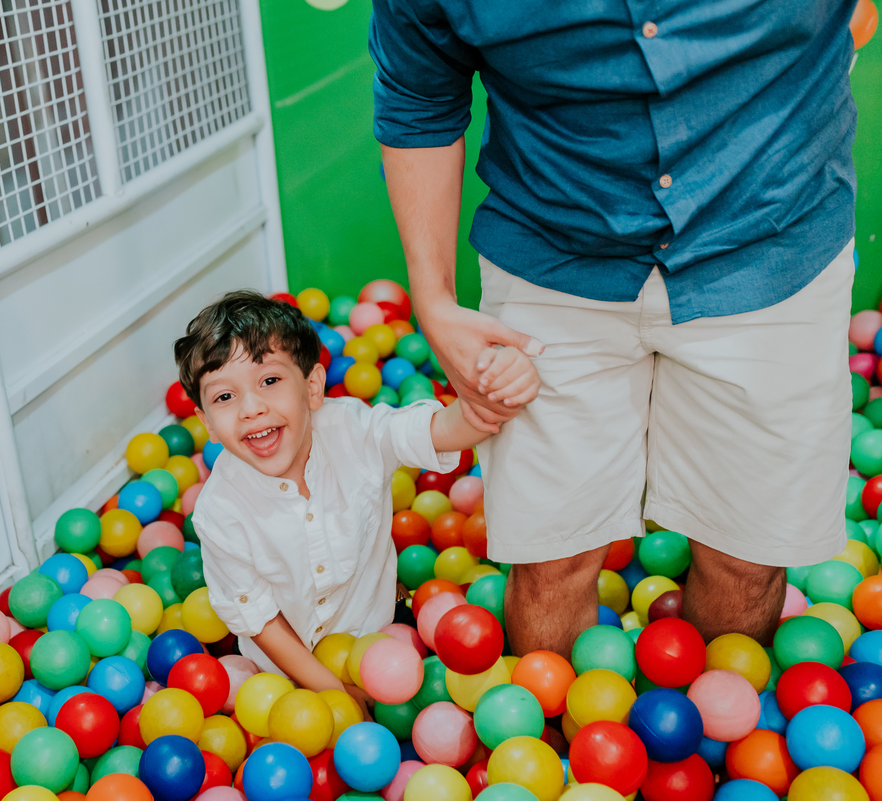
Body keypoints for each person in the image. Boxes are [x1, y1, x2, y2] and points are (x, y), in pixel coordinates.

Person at [370, 1, 857, 656]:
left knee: (748, 559)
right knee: (549, 560)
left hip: (769, 245)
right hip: (554, 247)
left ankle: (720, 750)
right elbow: (418, 98)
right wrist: (433, 299)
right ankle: (540, 746)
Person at [174, 290, 539, 707]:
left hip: (384, 640)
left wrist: (493, 396)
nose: (251, 408)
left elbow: (437, 428)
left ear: (312, 387)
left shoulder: (354, 430)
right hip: (281, 675)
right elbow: (261, 622)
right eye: (224, 396)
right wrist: (334, 694)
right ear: (208, 425)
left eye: (270, 381)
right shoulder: (219, 512)